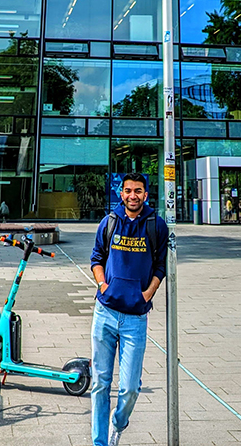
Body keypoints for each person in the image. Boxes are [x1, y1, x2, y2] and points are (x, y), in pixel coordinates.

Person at [90, 173, 169, 446]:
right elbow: (96, 258)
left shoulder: (156, 226)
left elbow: (161, 265)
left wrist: (148, 292)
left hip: (136, 318)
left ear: (146, 195)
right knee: (100, 384)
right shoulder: (109, 222)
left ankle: (118, 422)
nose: (132, 195)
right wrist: (102, 285)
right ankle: (100, 442)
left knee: (130, 388)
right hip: (105, 314)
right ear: (120, 194)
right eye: (127, 190)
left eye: (138, 190)